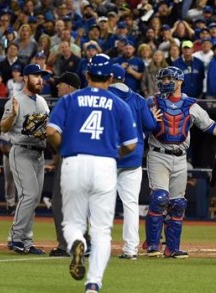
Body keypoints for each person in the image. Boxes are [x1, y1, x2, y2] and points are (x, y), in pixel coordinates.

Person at [46, 53, 138, 293]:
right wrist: (111, 152)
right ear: (109, 77)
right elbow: (130, 145)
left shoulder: (70, 100)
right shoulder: (119, 104)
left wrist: (64, 149)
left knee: (73, 222)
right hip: (105, 164)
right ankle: (93, 284)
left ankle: (76, 242)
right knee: (101, 230)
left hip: (74, 161)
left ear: (86, 75)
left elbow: (51, 131)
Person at [143, 66, 216, 259]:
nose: (166, 82)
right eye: (164, 78)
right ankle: (152, 245)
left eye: (170, 79)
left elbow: (210, 126)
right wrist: (147, 121)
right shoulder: (151, 102)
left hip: (180, 156)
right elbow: (137, 123)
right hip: (158, 154)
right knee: (160, 198)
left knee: (177, 203)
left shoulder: (191, 105)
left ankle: (172, 247)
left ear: (180, 81)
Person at [109, 64, 160, 259]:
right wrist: (151, 122)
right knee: (130, 204)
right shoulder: (138, 99)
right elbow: (150, 125)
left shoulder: (104, 98)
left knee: (100, 202)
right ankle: (130, 249)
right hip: (132, 157)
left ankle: (97, 246)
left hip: (108, 157)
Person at [0, 64, 50, 255]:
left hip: (39, 153)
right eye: (36, 76)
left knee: (34, 198)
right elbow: (3, 128)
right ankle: (15, 237)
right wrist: (12, 115)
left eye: (41, 76)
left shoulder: (42, 102)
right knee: (29, 195)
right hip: (21, 151)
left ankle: (26, 241)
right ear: (26, 78)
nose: (40, 79)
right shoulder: (15, 100)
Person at [49, 72, 83, 257]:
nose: (57, 86)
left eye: (60, 84)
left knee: (60, 201)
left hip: (70, 156)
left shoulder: (66, 102)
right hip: (92, 158)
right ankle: (89, 242)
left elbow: (51, 132)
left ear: (69, 87)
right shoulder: (88, 101)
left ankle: (65, 245)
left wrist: (60, 148)